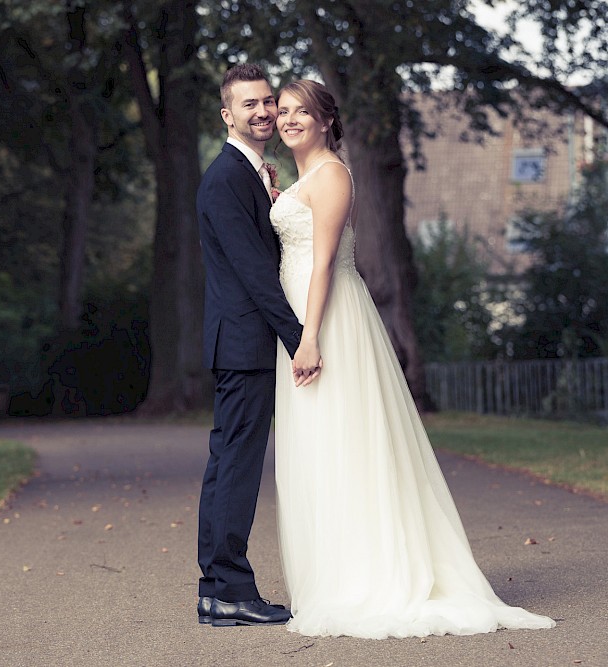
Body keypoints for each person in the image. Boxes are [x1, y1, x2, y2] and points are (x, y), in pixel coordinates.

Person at [269, 79, 556, 638]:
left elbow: (323, 263)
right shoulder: (303, 178)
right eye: (283, 111)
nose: (289, 119)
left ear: (327, 120)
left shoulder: (330, 175)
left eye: (302, 111)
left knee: (346, 439)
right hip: (303, 314)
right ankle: (338, 568)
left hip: (327, 320)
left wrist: (308, 336)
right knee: (319, 443)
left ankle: (370, 575)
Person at [195, 63, 319, 628]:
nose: (265, 111)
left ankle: (216, 591)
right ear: (228, 115)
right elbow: (253, 272)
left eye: (269, 101)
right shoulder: (225, 178)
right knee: (236, 470)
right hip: (244, 345)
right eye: (251, 104)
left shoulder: (247, 173)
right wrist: (300, 339)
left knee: (228, 466)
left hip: (242, 342)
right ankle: (229, 592)